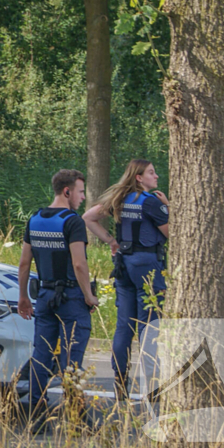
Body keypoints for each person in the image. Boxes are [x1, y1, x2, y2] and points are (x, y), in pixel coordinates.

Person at [83, 159, 169, 402]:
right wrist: (168, 206)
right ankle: (153, 387)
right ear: (139, 177)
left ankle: (120, 383)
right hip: (148, 265)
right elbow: (171, 232)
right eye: (152, 173)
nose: (157, 177)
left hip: (123, 264)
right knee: (149, 325)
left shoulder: (120, 200)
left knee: (124, 326)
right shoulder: (151, 202)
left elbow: (88, 217)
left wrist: (112, 241)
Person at [17, 169, 99, 423]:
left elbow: (23, 263)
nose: (83, 197)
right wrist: (89, 296)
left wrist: (23, 297)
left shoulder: (35, 218)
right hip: (71, 297)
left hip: (44, 295)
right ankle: (76, 417)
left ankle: (34, 412)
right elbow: (79, 264)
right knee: (71, 358)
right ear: (67, 191)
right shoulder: (72, 221)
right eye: (81, 191)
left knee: (41, 354)